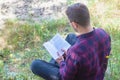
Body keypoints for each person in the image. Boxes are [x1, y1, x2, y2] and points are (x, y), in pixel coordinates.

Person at [30, 3, 111, 80]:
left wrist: (61, 62)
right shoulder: (103, 33)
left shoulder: (75, 52)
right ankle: (57, 65)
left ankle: (54, 66)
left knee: (35, 64)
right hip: (97, 74)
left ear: (74, 24)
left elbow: (65, 78)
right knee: (71, 37)